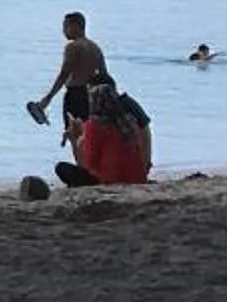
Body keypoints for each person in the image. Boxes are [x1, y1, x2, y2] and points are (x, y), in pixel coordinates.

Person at [24, 11, 109, 144]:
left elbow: (64, 74)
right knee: (88, 136)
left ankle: (80, 163)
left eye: (65, 26)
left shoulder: (73, 47)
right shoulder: (95, 47)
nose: (63, 31)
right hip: (92, 97)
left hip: (76, 96)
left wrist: (48, 98)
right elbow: (104, 76)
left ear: (76, 26)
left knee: (75, 136)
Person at [56, 80, 153, 187]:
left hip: (110, 180)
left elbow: (87, 165)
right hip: (137, 178)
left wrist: (75, 139)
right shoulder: (129, 122)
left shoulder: (94, 126)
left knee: (61, 168)